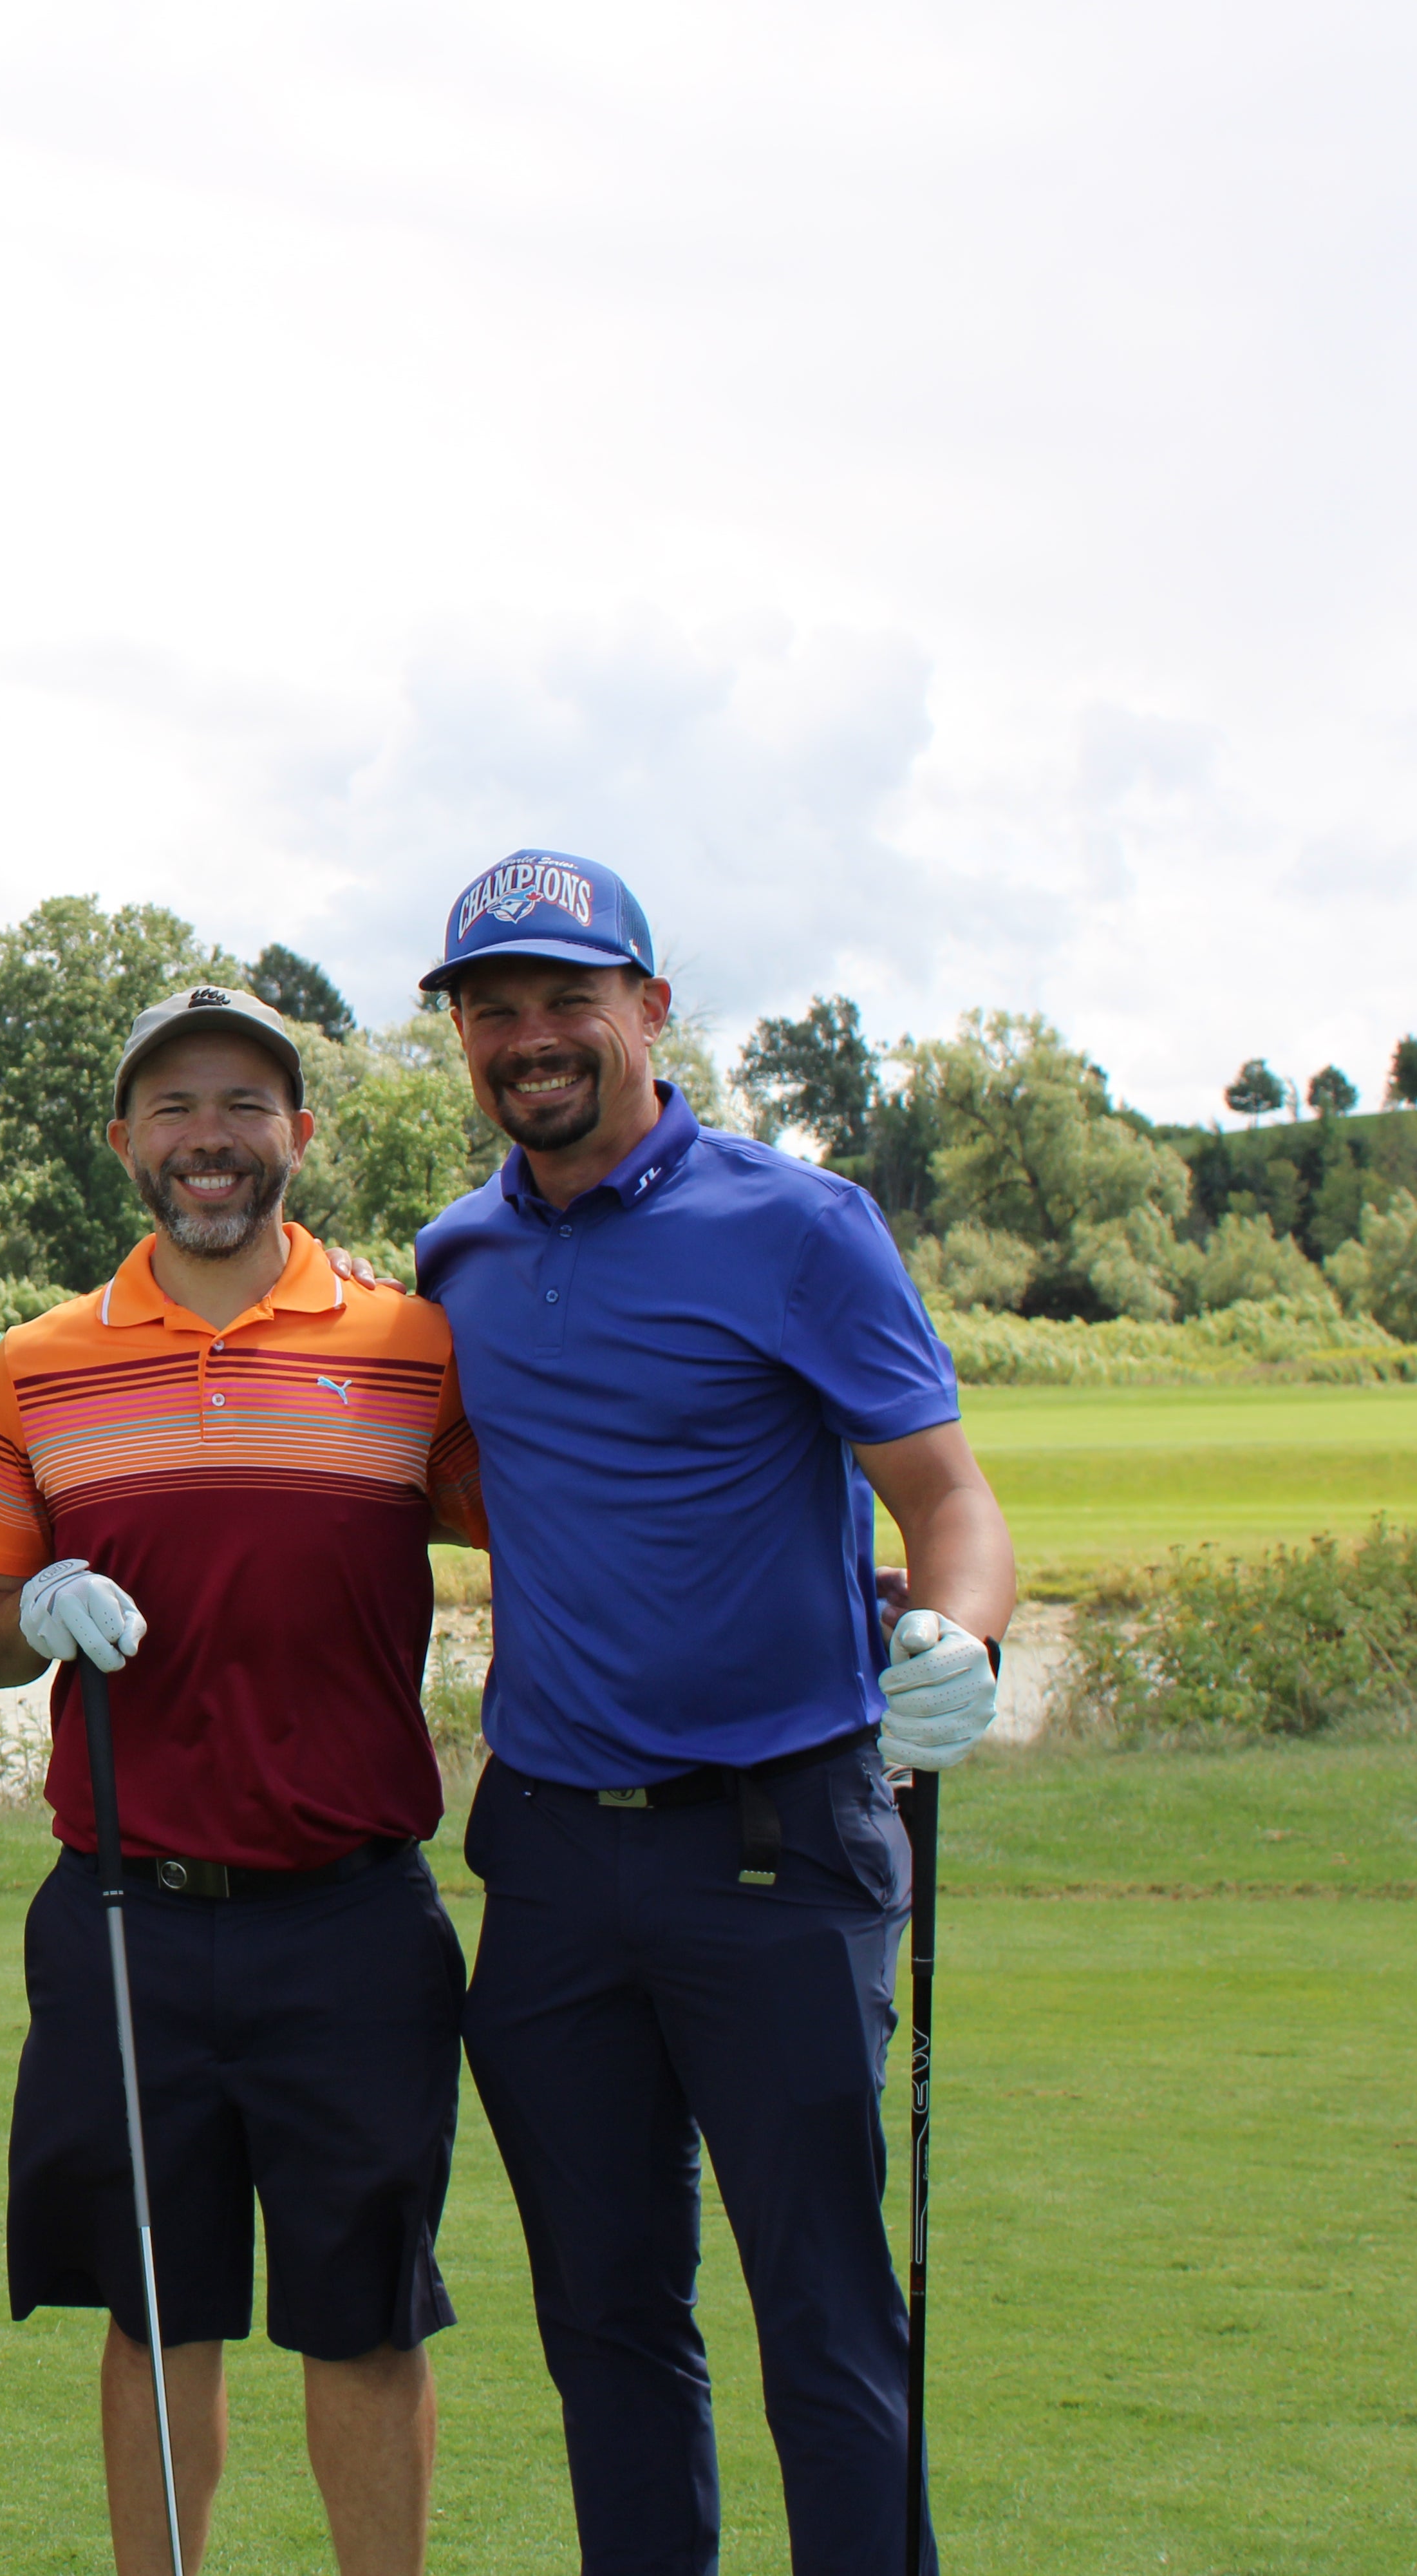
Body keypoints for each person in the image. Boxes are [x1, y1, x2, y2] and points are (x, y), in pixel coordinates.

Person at [410, 850, 1010, 2574]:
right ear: (463, 1038)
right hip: (546, 1862)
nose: (531, 1039)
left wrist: (958, 1642)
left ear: (651, 1009)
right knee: (605, 2324)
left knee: (825, 2318)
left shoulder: (798, 1227)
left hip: (775, 1844)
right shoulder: (457, 1260)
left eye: (566, 1002)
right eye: (493, 1009)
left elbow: (952, 1510)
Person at [0, 980, 487, 2576]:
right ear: (125, 1142)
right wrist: (25, 1608)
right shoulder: (39, 1364)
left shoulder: (410, 1345)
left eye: (245, 1103)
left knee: (365, 2308)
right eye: (173, 1107)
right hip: (129, 1910)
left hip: (355, 1913)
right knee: (154, 2303)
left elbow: (566, 1533)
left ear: (300, 1131)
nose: (210, 1138)